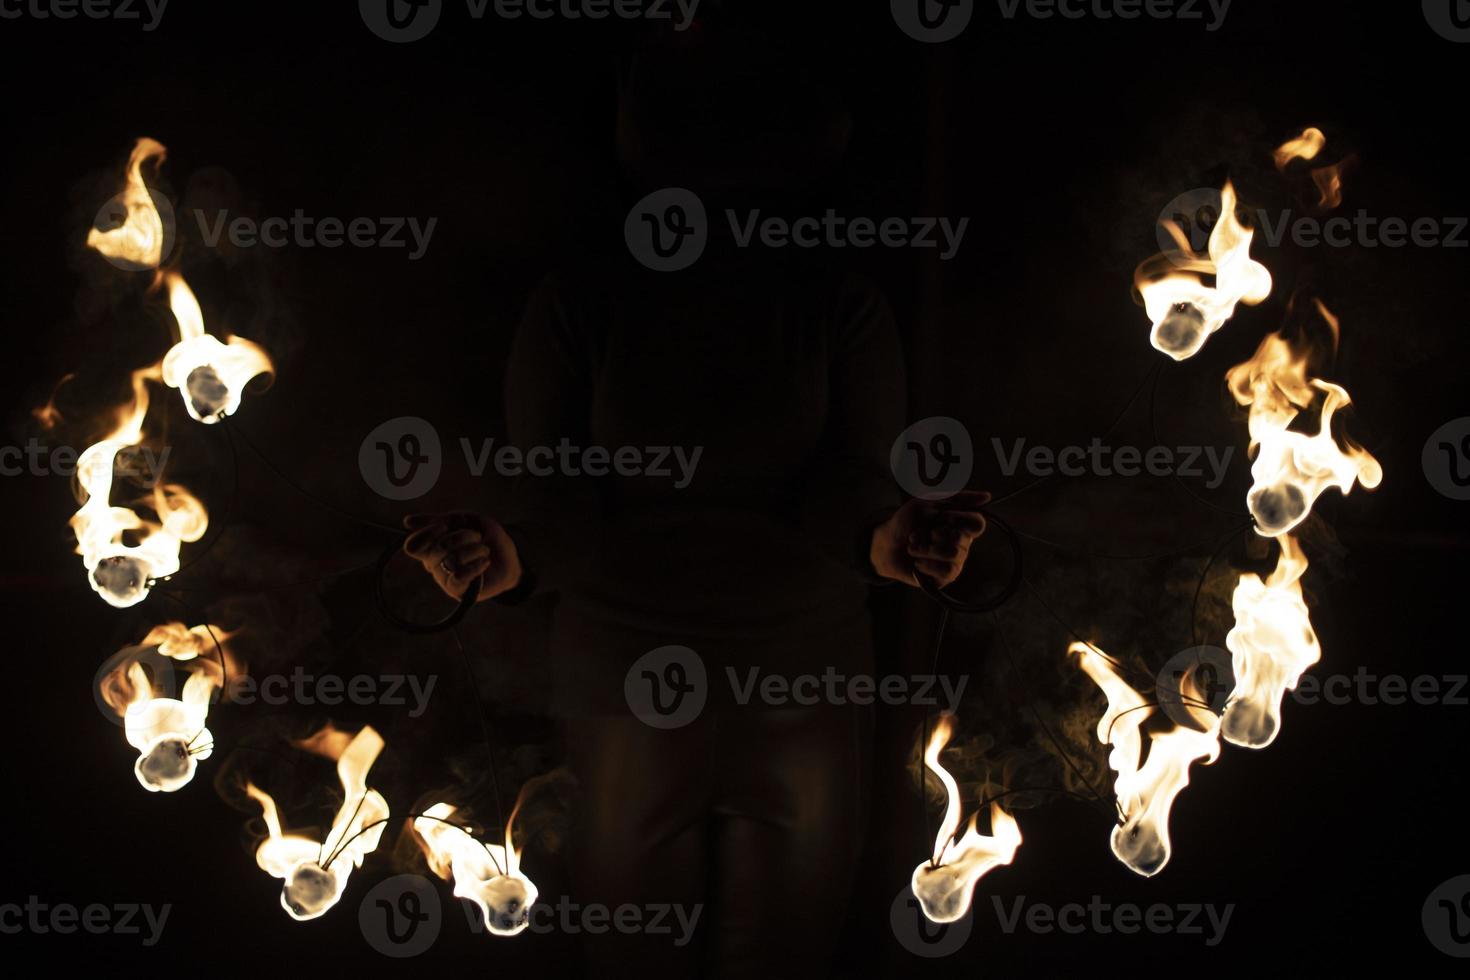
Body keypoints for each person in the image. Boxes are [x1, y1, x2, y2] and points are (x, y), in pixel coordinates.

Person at [403, 19, 991, 977]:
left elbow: (856, 489)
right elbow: (554, 497)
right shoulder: (577, 303)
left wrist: (896, 544)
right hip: (626, 683)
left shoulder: (841, 305)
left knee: (788, 951)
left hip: (802, 684)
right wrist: (503, 561)